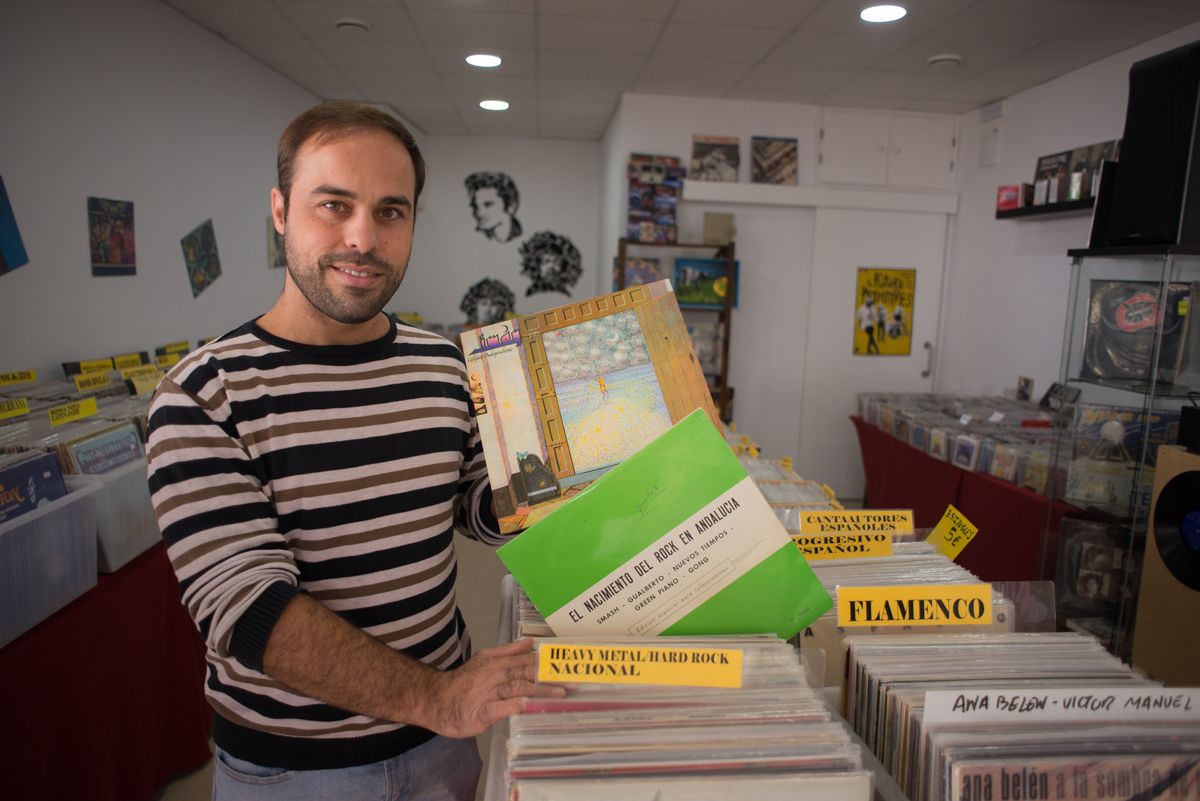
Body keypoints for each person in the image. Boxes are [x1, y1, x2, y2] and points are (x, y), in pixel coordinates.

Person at [146, 101, 564, 801]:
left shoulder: (441, 364)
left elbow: (473, 507)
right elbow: (250, 611)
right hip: (295, 773)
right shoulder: (203, 393)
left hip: (442, 747)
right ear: (280, 211)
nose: (362, 237)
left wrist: (565, 462)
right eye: (333, 204)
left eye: (391, 211)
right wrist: (437, 697)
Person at [464, 171, 522, 243]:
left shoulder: (525, 239)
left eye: (488, 205)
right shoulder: (471, 240)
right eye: (475, 206)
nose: (479, 213)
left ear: (511, 206)